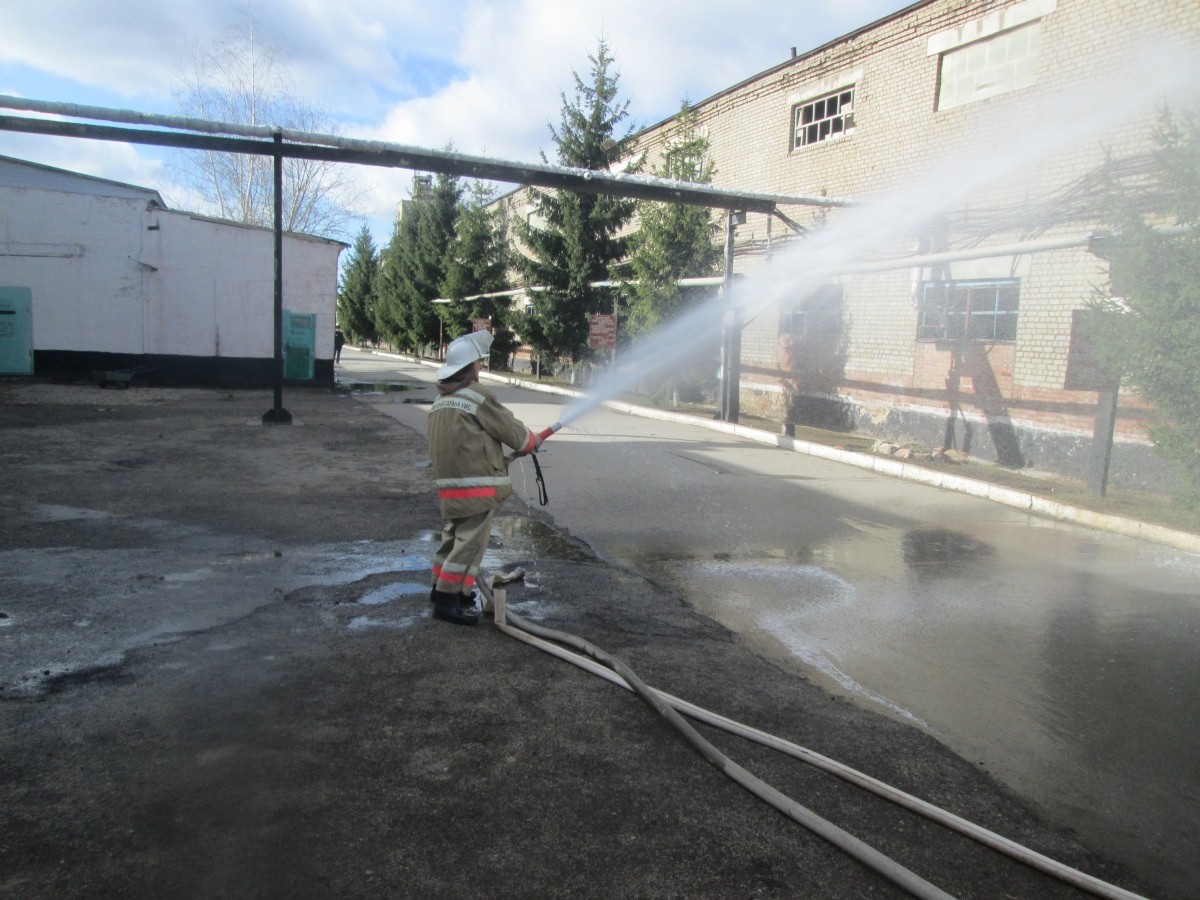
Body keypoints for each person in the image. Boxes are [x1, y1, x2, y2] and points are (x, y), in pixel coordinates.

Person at [427, 331, 542, 625]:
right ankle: (448, 601)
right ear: (469, 367)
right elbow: (508, 428)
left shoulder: (442, 400)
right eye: (477, 363)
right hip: (475, 486)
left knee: (452, 538)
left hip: (451, 486)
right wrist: (529, 441)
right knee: (469, 544)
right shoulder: (477, 396)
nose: (479, 367)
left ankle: (444, 590)